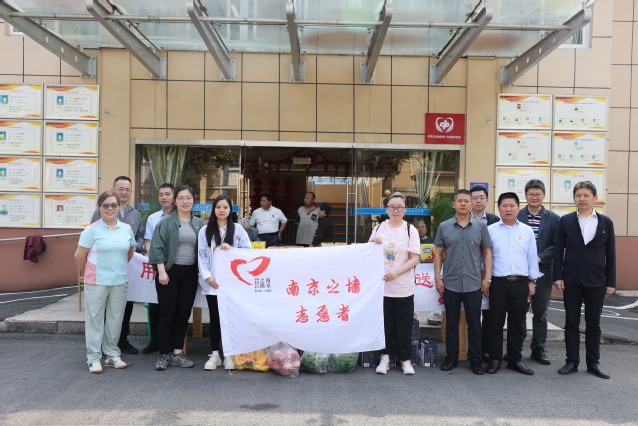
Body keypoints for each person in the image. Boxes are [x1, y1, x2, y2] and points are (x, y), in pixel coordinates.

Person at [554, 181, 616, 379]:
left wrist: (610, 281)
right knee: (571, 323)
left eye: (586, 195)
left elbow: (611, 254)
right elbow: (558, 250)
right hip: (571, 279)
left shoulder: (606, 222)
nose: (582, 199)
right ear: (574, 198)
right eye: (578, 195)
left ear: (594, 198)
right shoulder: (566, 221)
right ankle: (571, 361)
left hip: (596, 280)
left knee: (593, 324)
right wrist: (558, 276)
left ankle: (593, 363)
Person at [74, 191, 136, 373]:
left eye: (114, 205)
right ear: (99, 208)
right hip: (96, 281)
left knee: (116, 319)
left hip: (119, 280)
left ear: (119, 207)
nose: (110, 208)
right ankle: (94, 358)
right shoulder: (91, 229)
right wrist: (88, 271)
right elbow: (79, 256)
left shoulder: (126, 228)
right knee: (95, 320)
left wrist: (118, 267)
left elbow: (130, 252)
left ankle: (112, 355)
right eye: (105, 205)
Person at [434, 189, 492, 375]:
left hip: (474, 283)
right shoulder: (444, 226)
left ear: (472, 204)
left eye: (467, 201)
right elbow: (438, 254)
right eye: (459, 201)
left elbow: (487, 252)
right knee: (452, 323)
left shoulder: (481, 227)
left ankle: (475, 359)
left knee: (474, 325)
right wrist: (438, 278)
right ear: (454, 204)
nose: (463, 204)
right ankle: (451, 357)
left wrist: (487, 278)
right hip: (450, 283)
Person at [149, 185, 205, 371]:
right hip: (169, 272)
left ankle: (178, 352)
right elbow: (157, 247)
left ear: (193, 200)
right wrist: (161, 271)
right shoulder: (166, 222)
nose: (185, 201)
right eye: (181, 198)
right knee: (167, 314)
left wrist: (200, 274)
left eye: (188, 197)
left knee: (183, 314)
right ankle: (163, 354)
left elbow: (203, 251)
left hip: (190, 274)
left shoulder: (199, 224)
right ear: (175, 201)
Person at [486, 192, 542, 376]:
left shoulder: (526, 230)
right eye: (504, 206)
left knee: (517, 324)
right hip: (498, 283)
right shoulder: (491, 230)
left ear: (518, 208)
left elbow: (532, 257)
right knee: (495, 323)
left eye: (512, 206)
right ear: (499, 208)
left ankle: (515, 359)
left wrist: (532, 281)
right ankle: (495, 359)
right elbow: (484, 258)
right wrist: (485, 280)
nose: (508, 209)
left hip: (520, 283)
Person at [91, 176, 146, 355]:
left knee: (125, 304)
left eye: (127, 189)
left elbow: (141, 236)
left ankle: (122, 340)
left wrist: (133, 247)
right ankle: (101, 343)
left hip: (127, 266)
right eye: (120, 188)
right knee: (103, 307)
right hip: (104, 267)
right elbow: (92, 236)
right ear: (113, 190)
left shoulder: (135, 214)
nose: (124, 192)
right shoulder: (99, 212)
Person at [369, 193, 421, 375]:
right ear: (387, 209)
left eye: (399, 207)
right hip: (382, 288)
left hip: (403, 287)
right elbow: (368, 254)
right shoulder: (378, 228)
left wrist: (396, 272)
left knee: (404, 325)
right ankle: (384, 358)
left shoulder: (410, 230)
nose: (396, 210)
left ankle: (405, 359)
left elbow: (415, 258)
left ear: (405, 210)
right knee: (385, 324)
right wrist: (374, 243)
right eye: (392, 207)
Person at [198, 195, 252, 371]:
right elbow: (201, 257)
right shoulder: (205, 231)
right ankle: (215, 354)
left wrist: (233, 249)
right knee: (215, 318)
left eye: (225, 207)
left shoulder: (238, 230)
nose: (222, 210)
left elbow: (248, 253)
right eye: (218, 207)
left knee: (230, 318)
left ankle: (229, 354)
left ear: (230, 210)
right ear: (213, 209)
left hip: (232, 283)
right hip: (213, 282)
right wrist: (207, 277)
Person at [517, 179, 560, 365]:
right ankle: (516, 349)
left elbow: (556, 244)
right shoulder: (517, 215)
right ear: (525, 196)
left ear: (544, 195)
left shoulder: (554, 219)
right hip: (519, 273)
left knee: (540, 314)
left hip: (543, 273)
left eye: (538, 194)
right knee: (519, 313)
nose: (534, 197)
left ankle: (538, 348)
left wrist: (539, 258)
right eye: (531, 194)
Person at [141, 183, 175, 354]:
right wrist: (150, 253)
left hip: (176, 266)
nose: (164, 197)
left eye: (167, 194)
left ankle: (173, 342)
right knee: (155, 304)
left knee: (174, 306)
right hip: (158, 265)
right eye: (161, 194)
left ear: (174, 196)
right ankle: (155, 340)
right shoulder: (153, 218)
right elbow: (148, 242)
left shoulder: (181, 216)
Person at [469, 185, 500, 362]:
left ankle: (486, 349)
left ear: (487, 201)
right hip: (471, 272)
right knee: (472, 314)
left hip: (491, 271)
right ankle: (473, 350)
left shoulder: (495, 220)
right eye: (475, 198)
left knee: (490, 313)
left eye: (481, 198)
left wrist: (488, 276)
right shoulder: (462, 219)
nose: (478, 201)